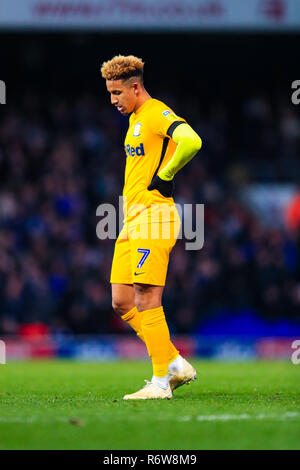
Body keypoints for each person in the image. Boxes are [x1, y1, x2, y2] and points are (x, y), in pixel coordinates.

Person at [101, 55, 202, 399]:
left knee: (146, 297)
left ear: (135, 86)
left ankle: (161, 382)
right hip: (130, 217)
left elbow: (191, 140)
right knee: (121, 300)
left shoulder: (157, 112)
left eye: (117, 93)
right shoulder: (134, 119)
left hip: (154, 216)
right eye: (110, 93)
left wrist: (166, 176)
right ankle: (172, 361)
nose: (113, 100)